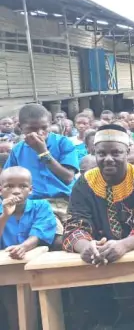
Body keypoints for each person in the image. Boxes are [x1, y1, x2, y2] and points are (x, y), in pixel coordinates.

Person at [61, 124, 134, 329]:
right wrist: (85, 246)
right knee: (81, 271)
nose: (108, 158)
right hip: (97, 251)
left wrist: (123, 246)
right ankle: (108, 318)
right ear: (94, 153)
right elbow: (75, 224)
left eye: (116, 152)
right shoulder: (85, 183)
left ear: (127, 152)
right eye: (102, 153)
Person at [5, 104, 78, 248]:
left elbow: (68, 177)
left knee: (75, 235)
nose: (39, 133)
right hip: (35, 205)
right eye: (32, 129)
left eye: (44, 128)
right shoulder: (18, 150)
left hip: (66, 201)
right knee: (56, 240)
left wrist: (44, 153)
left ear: (50, 124)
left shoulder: (63, 143)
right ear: (20, 127)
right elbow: (6, 179)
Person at [0, 167, 57, 330]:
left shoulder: (41, 206)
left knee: (40, 306)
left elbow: (40, 233)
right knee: (12, 307)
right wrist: (5, 215)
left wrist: (23, 247)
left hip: (35, 267)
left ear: (31, 190)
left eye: (23, 186)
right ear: (0, 189)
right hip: (5, 271)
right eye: (9, 186)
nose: (16, 191)